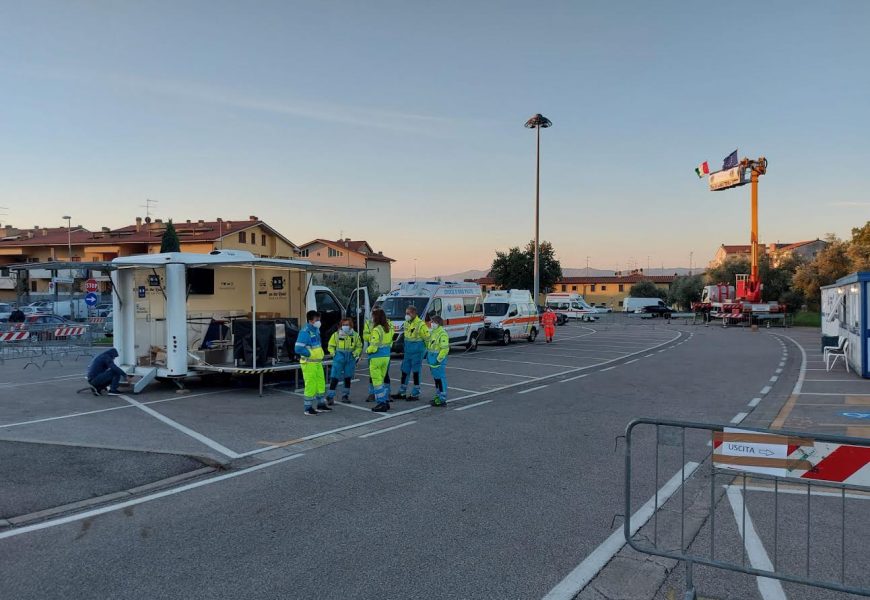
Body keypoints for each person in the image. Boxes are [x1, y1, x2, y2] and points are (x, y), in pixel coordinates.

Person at [392, 305, 429, 401]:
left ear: (413, 313)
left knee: (416, 372)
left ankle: (415, 393)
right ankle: (402, 392)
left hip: (417, 351)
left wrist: (427, 352)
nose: (406, 315)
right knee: (404, 371)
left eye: (408, 313)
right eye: (406, 313)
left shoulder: (421, 324)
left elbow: (427, 339)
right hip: (408, 351)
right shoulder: (406, 323)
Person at [295, 310, 328, 415]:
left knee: (320, 383)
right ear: (310, 320)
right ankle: (308, 408)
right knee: (311, 385)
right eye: (316, 320)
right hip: (309, 363)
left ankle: (321, 404)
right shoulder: (305, 332)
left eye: (319, 319)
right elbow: (298, 348)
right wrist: (310, 354)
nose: (319, 321)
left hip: (317, 362)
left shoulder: (316, 330)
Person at [326, 318, 362, 404]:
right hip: (339, 357)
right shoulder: (336, 335)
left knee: (348, 377)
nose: (345, 326)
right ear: (341, 325)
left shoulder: (355, 335)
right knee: (335, 377)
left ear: (351, 325)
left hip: (350, 358)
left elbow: (359, 346)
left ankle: (345, 396)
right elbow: (330, 346)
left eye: (347, 324)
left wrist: (356, 354)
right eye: (343, 325)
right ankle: (330, 396)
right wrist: (333, 354)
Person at [366, 308, 394, 412]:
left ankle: (381, 403)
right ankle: (385, 401)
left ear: (376, 317)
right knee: (381, 380)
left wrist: (368, 351)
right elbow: (391, 342)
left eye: (373, 316)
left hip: (376, 357)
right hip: (386, 357)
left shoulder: (377, 329)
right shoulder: (388, 328)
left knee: (377, 382)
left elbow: (373, 346)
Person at [364, 316, 391, 402]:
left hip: (376, 354)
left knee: (378, 378)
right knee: (377, 377)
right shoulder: (369, 324)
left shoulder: (380, 327)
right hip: (385, 354)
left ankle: (383, 398)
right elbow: (365, 336)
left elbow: (374, 344)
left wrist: (368, 350)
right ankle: (378, 396)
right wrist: (372, 338)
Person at [426, 315, 450, 406]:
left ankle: (442, 399)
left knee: (440, 379)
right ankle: (438, 396)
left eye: (434, 322)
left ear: (438, 323)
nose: (431, 323)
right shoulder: (433, 332)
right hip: (433, 361)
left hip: (438, 361)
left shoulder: (442, 333)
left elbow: (445, 349)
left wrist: (438, 359)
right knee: (437, 380)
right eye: (431, 322)